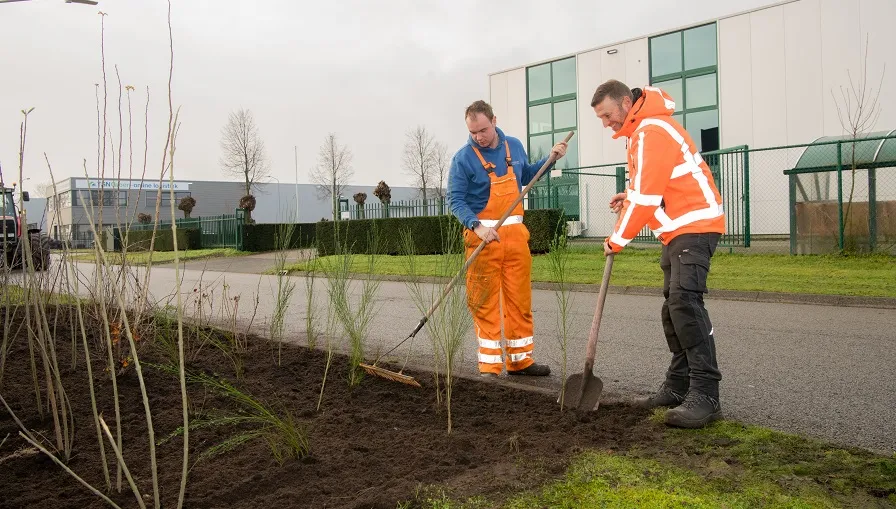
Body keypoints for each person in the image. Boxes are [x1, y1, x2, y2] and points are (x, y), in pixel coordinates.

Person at [590, 79, 726, 428]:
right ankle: (679, 386)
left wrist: (617, 239)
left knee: (685, 303)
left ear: (624, 103)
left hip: (694, 225)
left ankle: (706, 395)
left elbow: (648, 197)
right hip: (675, 230)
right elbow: (649, 186)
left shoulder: (652, 129)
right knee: (673, 307)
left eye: (607, 115)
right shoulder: (640, 133)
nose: (607, 124)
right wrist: (628, 194)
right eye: (601, 119)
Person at [447, 100, 567, 377]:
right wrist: (477, 227)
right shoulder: (463, 158)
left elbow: (526, 175)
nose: (479, 137)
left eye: (483, 130)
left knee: (519, 302)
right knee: (484, 303)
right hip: (483, 240)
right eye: (473, 132)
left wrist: (550, 160)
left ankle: (520, 360)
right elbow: (455, 200)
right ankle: (490, 365)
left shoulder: (514, 145)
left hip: (515, 239)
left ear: (494, 120)